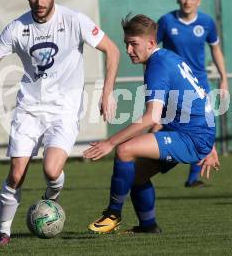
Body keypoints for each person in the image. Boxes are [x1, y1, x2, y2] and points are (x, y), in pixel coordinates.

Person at [0, 0, 120, 245]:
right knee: (16, 174)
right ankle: (3, 232)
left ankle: (51, 197)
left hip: (63, 110)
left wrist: (107, 92)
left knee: (52, 171)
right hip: (29, 108)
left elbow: (112, 50)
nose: (40, 2)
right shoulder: (17, 28)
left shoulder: (75, 21)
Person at [85, 14, 219, 234]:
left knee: (124, 150)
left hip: (189, 136)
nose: (129, 50)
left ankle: (112, 214)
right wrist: (210, 142)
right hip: (192, 132)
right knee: (136, 176)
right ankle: (148, 226)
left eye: (133, 44)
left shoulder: (158, 65)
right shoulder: (167, 58)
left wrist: (109, 142)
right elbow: (197, 97)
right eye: (126, 44)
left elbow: (151, 117)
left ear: (150, 43)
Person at [157, 0, 228, 188]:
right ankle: (148, 159)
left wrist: (224, 78)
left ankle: (193, 178)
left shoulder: (206, 22)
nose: (188, 2)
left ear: (199, 0)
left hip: (199, 85)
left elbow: (215, 50)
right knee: (161, 123)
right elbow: (151, 50)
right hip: (172, 85)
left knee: (204, 125)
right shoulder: (166, 21)